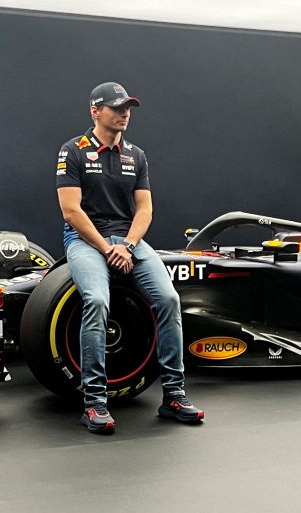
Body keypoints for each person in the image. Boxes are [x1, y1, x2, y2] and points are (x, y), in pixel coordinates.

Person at [56, 82, 204, 433]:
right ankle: (94, 404)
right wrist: (108, 249)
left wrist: (128, 246)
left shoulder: (136, 155)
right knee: (95, 300)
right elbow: (71, 211)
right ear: (96, 111)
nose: (125, 113)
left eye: (128, 108)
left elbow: (145, 210)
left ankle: (174, 396)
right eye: (117, 107)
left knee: (169, 299)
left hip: (129, 241)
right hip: (85, 240)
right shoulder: (73, 151)